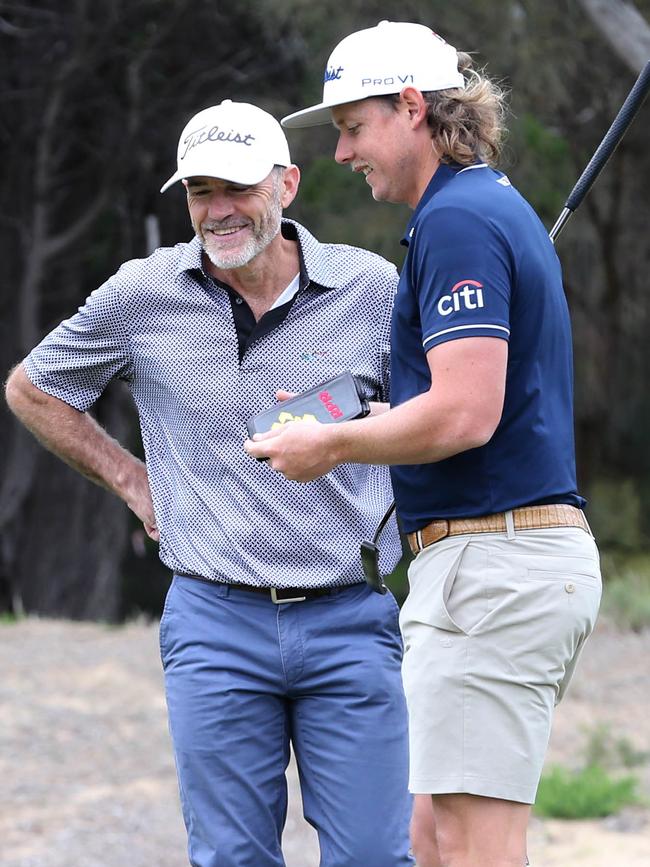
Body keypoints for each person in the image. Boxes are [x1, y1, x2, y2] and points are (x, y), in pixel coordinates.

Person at [4, 99, 415, 867]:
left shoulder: (372, 289)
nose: (219, 210)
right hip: (214, 620)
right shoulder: (141, 292)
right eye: (200, 192)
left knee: (374, 857)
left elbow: (431, 415)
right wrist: (130, 477)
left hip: (350, 615)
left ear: (287, 184)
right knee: (231, 857)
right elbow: (35, 387)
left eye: (237, 187)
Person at [245, 21, 603, 867]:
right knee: (432, 840)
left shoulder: (461, 222)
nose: (341, 153)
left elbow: (464, 414)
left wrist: (334, 444)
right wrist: (357, 417)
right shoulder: (472, 212)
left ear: (412, 107)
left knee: (475, 847)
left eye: (352, 126)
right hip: (488, 564)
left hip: (495, 562)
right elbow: (462, 402)